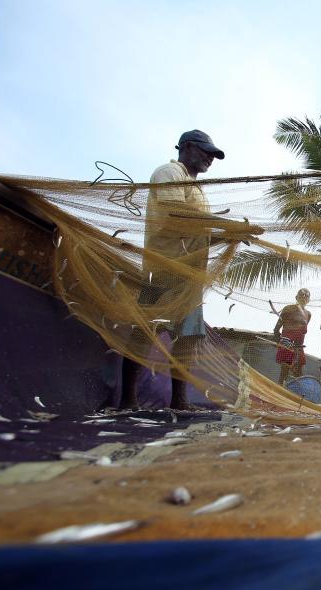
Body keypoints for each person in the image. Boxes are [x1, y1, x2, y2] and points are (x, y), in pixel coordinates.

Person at [120, 130, 262, 410]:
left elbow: (200, 235)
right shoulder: (169, 173)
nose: (210, 158)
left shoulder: (198, 191)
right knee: (145, 331)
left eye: (213, 154)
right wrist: (228, 226)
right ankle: (127, 399)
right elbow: (176, 215)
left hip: (189, 276)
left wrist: (232, 236)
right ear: (186, 147)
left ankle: (179, 401)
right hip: (163, 268)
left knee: (188, 338)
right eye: (205, 151)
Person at [274, 288, 312, 384]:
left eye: (306, 296)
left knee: (299, 372)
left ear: (309, 300)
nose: (304, 297)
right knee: (285, 370)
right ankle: (279, 392)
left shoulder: (308, 314)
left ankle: (296, 395)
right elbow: (277, 328)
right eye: (301, 295)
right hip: (287, 343)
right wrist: (279, 341)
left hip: (299, 346)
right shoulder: (288, 308)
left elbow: (303, 329)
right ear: (296, 297)